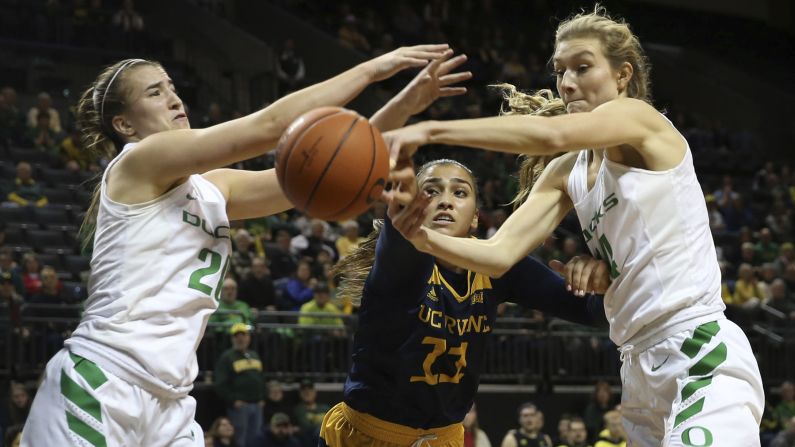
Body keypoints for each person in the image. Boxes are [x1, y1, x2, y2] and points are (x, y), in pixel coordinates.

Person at [21, 43, 467, 446]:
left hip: (171, 404)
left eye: (172, 87)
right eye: (154, 93)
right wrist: (372, 69)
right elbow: (272, 126)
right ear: (124, 124)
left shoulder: (215, 188)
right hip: (103, 380)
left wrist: (404, 103)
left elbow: (324, 167)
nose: (175, 98)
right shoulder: (137, 163)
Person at [384, 6, 764, 445]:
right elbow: (497, 255)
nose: (566, 82)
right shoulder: (568, 173)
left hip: (697, 347)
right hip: (637, 365)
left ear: (622, 76)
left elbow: (554, 135)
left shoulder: (640, 120)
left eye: (582, 67)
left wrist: (429, 129)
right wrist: (418, 235)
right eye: (560, 70)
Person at [320, 157, 609, 447]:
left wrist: (598, 276)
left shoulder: (498, 267)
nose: (445, 201)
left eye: (459, 193)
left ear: (474, 218)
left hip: (445, 439)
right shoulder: (395, 265)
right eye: (430, 191)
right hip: (367, 438)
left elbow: (594, 312)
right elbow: (401, 243)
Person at [213, 323, 266, 447]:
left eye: (243, 335)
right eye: (237, 335)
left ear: (249, 337)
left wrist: (263, 397)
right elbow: (220, 384)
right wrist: (234, 400)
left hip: (257, 405)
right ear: (232, 339)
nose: (240, 338)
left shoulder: (254, 355)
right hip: (240, 407)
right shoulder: (227, 357)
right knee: (239, 439)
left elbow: (261, 378)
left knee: (255, 439)